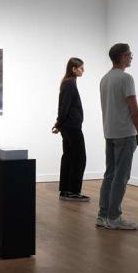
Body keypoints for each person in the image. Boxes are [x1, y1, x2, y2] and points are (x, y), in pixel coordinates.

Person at [98, 43, 138, 231]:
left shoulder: (105, 78)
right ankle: (114, 217)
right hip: (125, 133)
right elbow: (133, 107)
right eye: (130, 55)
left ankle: (103, 215)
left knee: (110, 174)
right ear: (123, 57)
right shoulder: (126, 78)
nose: (131, 57)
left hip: (110, 132)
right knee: (121, 176)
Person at [52, 57, 88, 202]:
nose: (83, 70)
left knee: (69, 156)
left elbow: (63, 106)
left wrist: (59, 124)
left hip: (69, 126)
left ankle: (66, 190)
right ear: (73, 69)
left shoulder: (69, 83)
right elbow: (64, 106)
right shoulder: (69, 84)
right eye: (81, 68)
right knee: (79, 157)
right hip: (71, 127)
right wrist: (59, 124)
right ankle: (73, 191)